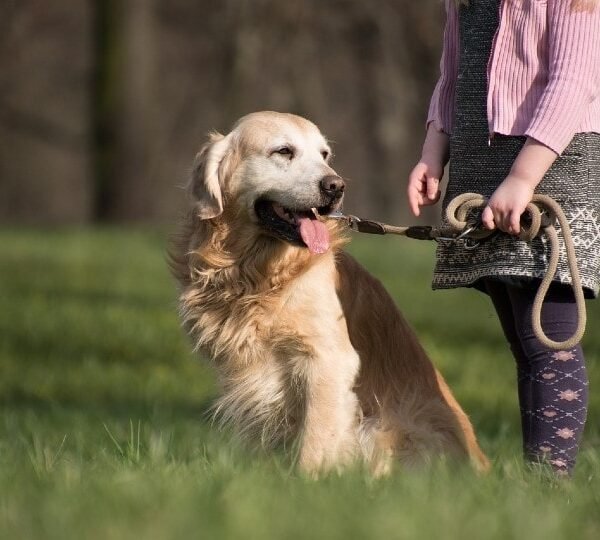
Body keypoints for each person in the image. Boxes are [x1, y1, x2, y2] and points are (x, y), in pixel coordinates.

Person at [407, 0, 600, 475]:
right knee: (522, 340)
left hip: (550, 164)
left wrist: (522, 179)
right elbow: (451, 78)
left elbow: (572, 82)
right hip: (480, 164)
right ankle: (537, 478)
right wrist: (434, 152)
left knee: (548, 338)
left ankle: (549, 483)